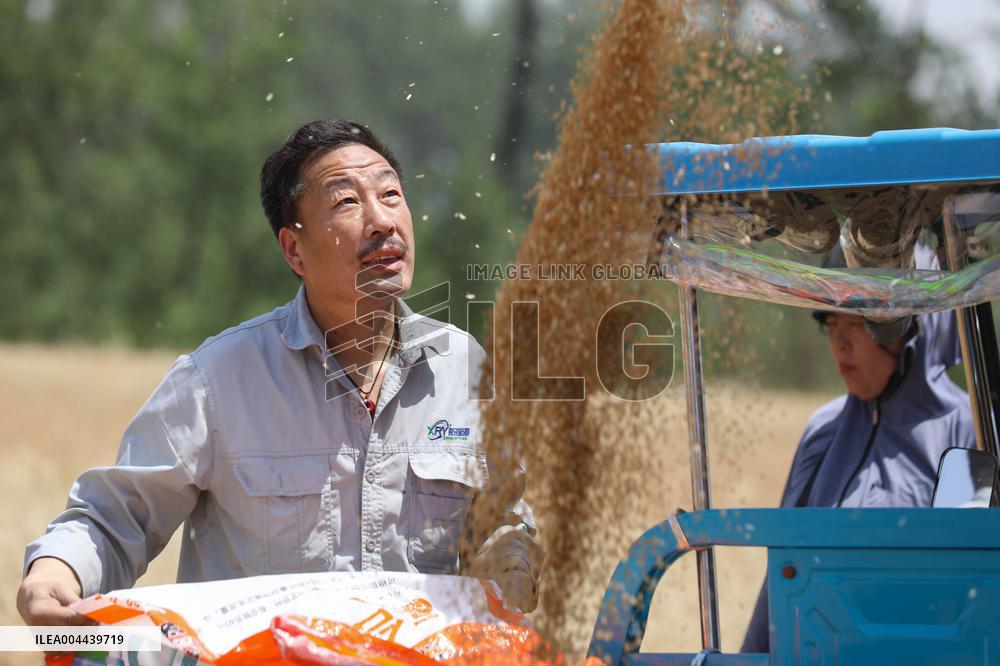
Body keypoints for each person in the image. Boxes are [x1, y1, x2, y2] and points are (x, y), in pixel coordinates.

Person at [17, 119, 543, 627]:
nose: (382, 221)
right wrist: (55, 573)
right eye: (347, 202)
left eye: (390, 195)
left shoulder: (465, 370)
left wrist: (508, 562)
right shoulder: (219, 380)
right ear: (295, 249)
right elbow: (113, 519)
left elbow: (501, 519)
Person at [741, 257, 975, 652]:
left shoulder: (963, 431)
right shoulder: (823, 432)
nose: (839, 342)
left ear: (911, 327)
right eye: (831, 324)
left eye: (855, 322)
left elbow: (970, 585)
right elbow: (782, 572)